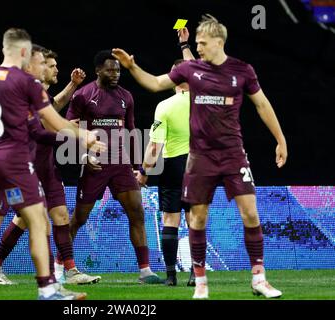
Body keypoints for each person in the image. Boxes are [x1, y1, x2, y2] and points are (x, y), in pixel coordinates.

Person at [112, 14, 287, 299]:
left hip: (233, 153)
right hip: (200, 157)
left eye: (202, 43)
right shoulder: (192, 70)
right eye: (196, 43)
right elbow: (156, 83)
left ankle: (259, 279)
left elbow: (263, 104)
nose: (199, 47)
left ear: (218, 42)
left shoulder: (242, 70)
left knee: (251, 213)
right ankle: (201, 283)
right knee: (198, 218)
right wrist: (132, 67)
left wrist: (280, 140)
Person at [0, 28, 104, 300]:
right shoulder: (27, 83)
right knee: (38, 223)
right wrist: (84, 136)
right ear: (24, 52)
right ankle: (47, 289)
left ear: (5, 49)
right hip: (15, 161)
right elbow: (54, 120)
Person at [0, 46, 101, 286]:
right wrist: (74, 134)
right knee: (24, 220)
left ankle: (70, 270)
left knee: (58, 214)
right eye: (51, 65)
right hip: (27, 167)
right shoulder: (26, 92)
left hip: (47, 166)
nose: (55, 68)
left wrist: (72, 87)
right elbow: (42, 129)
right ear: (38, 66)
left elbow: (53, 110)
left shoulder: (41, 93)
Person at [65, 50, 162, 284]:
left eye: (118, 70)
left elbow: (131, 131)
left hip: (121, 165)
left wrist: (137, 166)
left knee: (137, 213)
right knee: (78, 219)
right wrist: (82, 156)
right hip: (94, 166)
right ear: (98, 70)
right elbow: (67, 127)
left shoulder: (126, 96)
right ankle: (62, 266)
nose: (115, 74)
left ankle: (145, 270)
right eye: (110, 69)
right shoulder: (83, 95)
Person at [136, 59, 195, 287]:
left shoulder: (165, 106)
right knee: (194, 221)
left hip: (174, 166)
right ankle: (196, 274)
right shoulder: (205, 103)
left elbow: (154, 147)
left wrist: (143, 172)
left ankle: (171, 277)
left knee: (170, 220)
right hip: (199, 167)